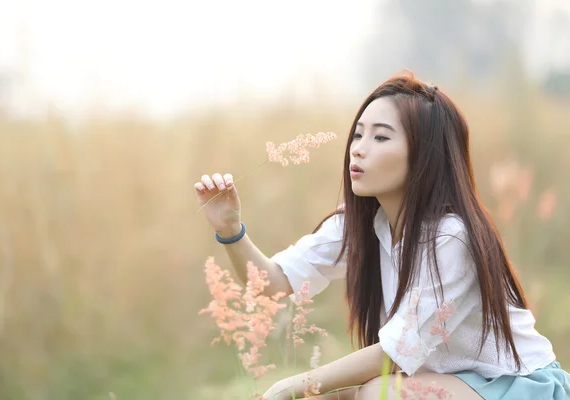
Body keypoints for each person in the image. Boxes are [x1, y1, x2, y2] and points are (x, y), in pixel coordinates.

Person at [193, 73, 570, 400]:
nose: (358, 148)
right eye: (358, 134)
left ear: (423, 155)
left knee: (376, 392)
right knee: (335, 397)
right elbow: (272, 284)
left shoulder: (450, 239)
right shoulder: (358, 226)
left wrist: (293, 383)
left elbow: (393, 353)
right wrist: (230, 230)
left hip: (519, 385)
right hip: (454, 384)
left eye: (380, 137)